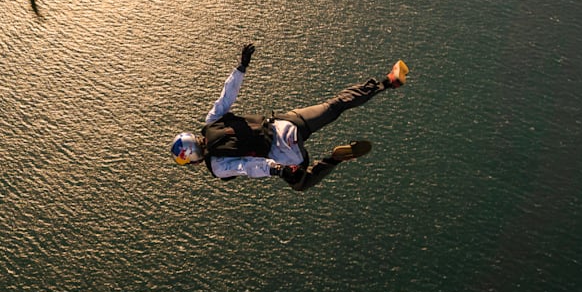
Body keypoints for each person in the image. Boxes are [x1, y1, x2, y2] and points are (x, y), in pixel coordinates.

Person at [170, 44, 408, 191]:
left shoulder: (218, 166)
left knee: (302, 183)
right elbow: (227, 95)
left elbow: (249, 167)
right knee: (335, 105)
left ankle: (334, 160)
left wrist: (278, 170)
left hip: (287, 154)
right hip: (286, 123)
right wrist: (241, 67)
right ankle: (388, 81)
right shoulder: (211, 121)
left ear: (193, 158)